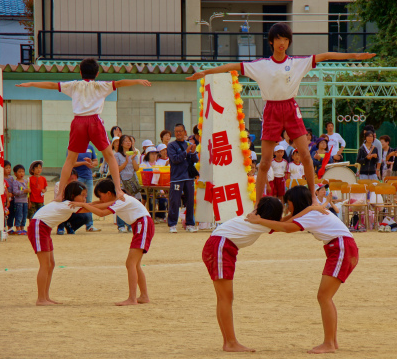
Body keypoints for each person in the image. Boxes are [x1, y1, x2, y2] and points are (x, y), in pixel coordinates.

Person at [186, 22, 375, 205]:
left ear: (289, 42)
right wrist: (205, 72)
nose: (282, 42)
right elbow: (232, 67)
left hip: (291, 109)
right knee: (265, 162)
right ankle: (258, 204)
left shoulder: (297, 63)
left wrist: (356, 55)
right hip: (271, 110)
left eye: (285, 38)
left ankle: (313, 198)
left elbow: (325, 55)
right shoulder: (261, 65)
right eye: (278, 38)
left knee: (306, 156)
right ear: (271, 42)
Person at [16, 57, 151, 201]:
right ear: (97, 73)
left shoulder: (74, 85)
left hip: (78, 121)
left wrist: (31, 83)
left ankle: (60, 193)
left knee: (70, 159)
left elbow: (51, 85)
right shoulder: (101, 85)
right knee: (110, 156)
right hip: (94, 121)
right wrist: (137, 80)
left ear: (80, 72)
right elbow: (120, 82)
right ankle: (118, 190)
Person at [246, 185, 359, 354]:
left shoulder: (312, 214)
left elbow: (285, 228)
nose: (287, 207)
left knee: (324, 297)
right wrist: (261, 223)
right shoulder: (309, 212)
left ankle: (329, 343)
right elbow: (283, 222)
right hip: (341, 248)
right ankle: (331, 341)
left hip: (341, 248)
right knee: (325, 297)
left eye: (288, 203)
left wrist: (258, 221)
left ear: (295, 202)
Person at [201, 196, 283, 352]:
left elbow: (283, 222)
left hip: (220, 246)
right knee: (226, 297)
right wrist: (309, 211)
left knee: (224, 298)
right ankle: (230, 342)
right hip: (221, 247)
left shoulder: (256, 219)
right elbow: (287, 226)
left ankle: (229, 341)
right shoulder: (259, 223)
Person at [72, 179, 155, 306]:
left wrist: (84, 205)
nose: (100, 198)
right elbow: (98, 204)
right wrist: (81, 206)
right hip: (140, 225)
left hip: (142, 225)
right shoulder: (117, 199)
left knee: (130, 263)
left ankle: (132, 299)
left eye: (101, 195)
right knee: (135, 264)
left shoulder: (121, 200)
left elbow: (101, 212)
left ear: (109, 193)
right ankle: (144, 296)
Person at [27, 181, 91, 305]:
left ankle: (45, 297)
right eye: (82, 195)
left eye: (85, 195)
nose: (85, 198)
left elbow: (92, 205)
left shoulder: (69, 204)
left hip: (45, 228)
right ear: (73, 196)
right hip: (39, 227)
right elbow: (95, 207)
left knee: (51, 264)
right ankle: (41, 299)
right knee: (45, 265)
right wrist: (113, 204)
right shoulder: (69, 205)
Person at [167, 123, 198, 233]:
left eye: (180, 131)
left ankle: (190, 224)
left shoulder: (189, 144)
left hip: (189, 177)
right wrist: (186, 152)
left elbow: (195, 160)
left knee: (190, 202)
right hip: (177, 177)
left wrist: (193, 152)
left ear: (185, 132)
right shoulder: (171, 146)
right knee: (174, 201)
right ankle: (172, 224)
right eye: (176, 131)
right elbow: (175, 159)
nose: (178, 133)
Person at [115, 135, 141, 232]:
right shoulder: (117, 155)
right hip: (122, 182)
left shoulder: (134, 153)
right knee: (122, 203)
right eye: (125, 141)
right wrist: (126, 161)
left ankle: (131, 225)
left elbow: (136, 168)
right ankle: (121, 225)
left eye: (129, 141)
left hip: (132, 181)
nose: (128, 142)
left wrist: (133, 159)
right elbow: (117, 169)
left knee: (132, 203)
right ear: (121, 144)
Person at [73, 144, 101, 232]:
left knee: (88, 201)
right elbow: (71, 163)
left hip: (88, 177)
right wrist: (84, 163)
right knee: (76, 201)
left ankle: (90, 225)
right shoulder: (73, 146)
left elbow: (95, 162)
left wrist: (91, 163)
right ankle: (72, 224)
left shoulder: (90, 147)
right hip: (78, 177)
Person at [55, 169, 89, 235]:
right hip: (63, 205)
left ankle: (70, 226)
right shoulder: (59, 185)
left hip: (74, 206)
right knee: (62, 210)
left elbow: (83, 199)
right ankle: (60, 227)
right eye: (71, 179)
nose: (73, 181)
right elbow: (59, 199)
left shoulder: (78, 186)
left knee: (86, 216)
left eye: (75, 179)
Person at [140, 146, 167, 222]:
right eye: (152, 154)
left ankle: (161, 216)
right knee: (152, 200)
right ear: (147, 155)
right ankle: (152, 217)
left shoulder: (158, 165)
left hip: (157, 188)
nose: (154, 156)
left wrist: (162, 190)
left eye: (155, 154)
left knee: (164, 199)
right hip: (147, 189)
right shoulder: (143, 165)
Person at [12, 164, 30, 235]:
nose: (21, 173)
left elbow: (28, 193)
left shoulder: (26, 182)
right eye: (19, 172)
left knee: (24, 215)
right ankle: (18, 228)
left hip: (25, 201)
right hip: (18, 202)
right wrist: (24, 191)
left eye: (23, 171)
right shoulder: (15, 182)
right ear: (15, 173)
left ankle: (23, 228)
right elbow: (15, 192)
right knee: (19, 215)